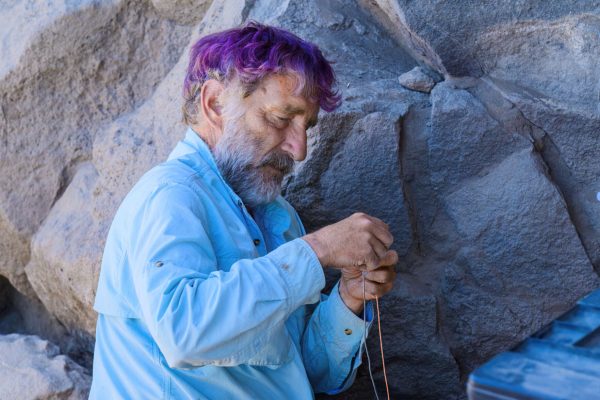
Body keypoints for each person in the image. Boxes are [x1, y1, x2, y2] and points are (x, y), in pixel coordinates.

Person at [90, 21, 397, 399]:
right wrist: (316, 251)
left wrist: (349, 297)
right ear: (215, 103)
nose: (299, 150)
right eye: (281, 119)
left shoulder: (280, 219)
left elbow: (307, 375)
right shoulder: (169, 195)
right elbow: (185, 333)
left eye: (307, 127)